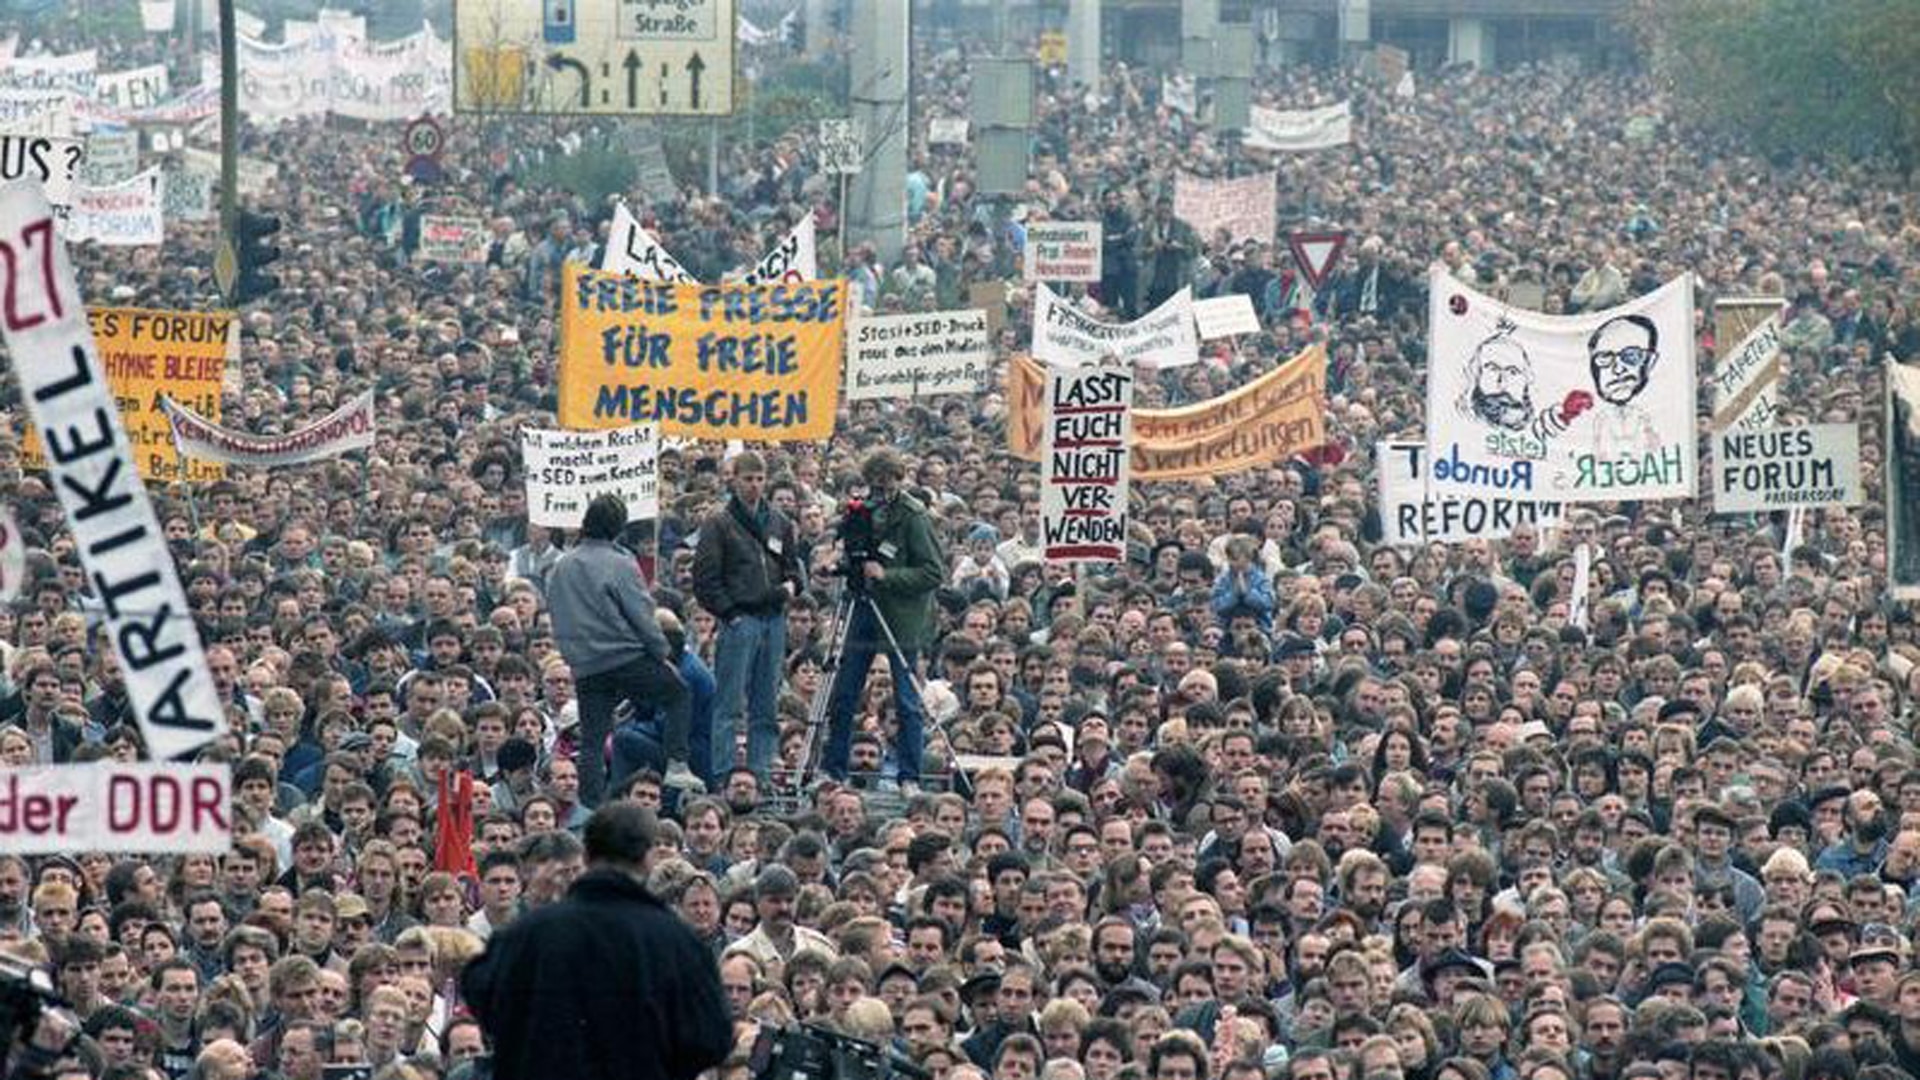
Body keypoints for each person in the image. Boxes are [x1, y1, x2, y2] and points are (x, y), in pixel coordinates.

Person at [462, 801, 732, 1080]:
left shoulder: (529, 933)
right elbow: (712, 1038)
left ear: (587, 855)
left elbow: (481, 989)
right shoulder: (676, 941)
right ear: (648, 857)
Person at [546, 494, 702, 799]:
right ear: (618, 527)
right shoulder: (619, 563)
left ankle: (590, 803)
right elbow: (642, 614)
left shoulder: (561, 567)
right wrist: (662, 654)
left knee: (592, 741)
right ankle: (677, 764)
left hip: (586, 665)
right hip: (625, 657)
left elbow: (557, 615)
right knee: (678, 692)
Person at [822, 449, 944, 790]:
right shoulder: (864, 510)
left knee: (906, 700)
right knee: (845, 691)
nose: (881, 489)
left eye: (887, 481)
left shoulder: (913, 515)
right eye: (874, 483)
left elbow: (933, 572)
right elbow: (854, 549)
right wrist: (837, 561)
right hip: (863, 609)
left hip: (901, 618)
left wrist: (887, 575)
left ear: (898, 478)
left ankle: (909, 775)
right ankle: (834, 769)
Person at [693, 451, 801, 787]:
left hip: (773, 618)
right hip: (741, 619)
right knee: (729, 704)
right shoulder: (719, 522)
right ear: (734, 480)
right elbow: (705, 579)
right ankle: (725, 774)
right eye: (747, 479)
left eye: (759, 479)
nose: (754, 485)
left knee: (766, 704)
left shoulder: (780, 522)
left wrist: (791, 588)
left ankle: (762, 776)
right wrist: (731, 613)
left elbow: (793, 569)